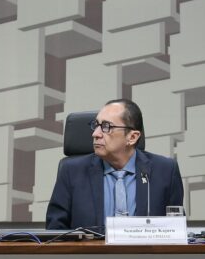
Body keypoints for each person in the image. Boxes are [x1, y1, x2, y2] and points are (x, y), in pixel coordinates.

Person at [46, 99, 184, 230]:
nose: (95, 133)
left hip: (147, 254)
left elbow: (176, 229)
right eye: (96, 125)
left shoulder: (165, 170)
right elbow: (55, 231)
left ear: (132, 137)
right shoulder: (72, 171)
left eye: (106, 127)